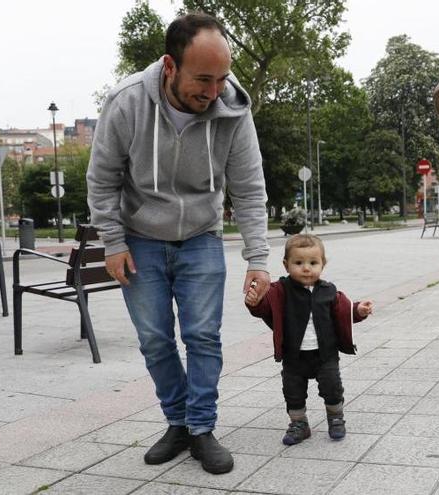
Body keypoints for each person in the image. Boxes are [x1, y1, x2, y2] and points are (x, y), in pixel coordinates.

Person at [86, 13, 270, 474]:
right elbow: (102, 179)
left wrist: (259, 258)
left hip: (202, 238)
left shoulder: (233, 110)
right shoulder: (126, 103)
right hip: (140, 239)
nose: (213, 92)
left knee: (203, 337)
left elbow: (249, 188)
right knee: (154, 339)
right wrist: (112, 242)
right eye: (202, 79)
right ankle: (178, 421)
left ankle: (202, 428)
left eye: (222, 78)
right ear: (170, 66)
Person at [244, 234, 373, 445]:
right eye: (298, 263)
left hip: (325, 354)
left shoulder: (329, 291)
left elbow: (344, 312)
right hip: (293, 356)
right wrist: (254, 302)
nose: (306, 268)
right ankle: (299, 424)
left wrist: (359, 310)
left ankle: (336, 418)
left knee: (332, 387)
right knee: (293, 391)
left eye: (313, 263)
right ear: (286, 265)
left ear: (323, 264)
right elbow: (264, 308)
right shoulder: (280, 291)